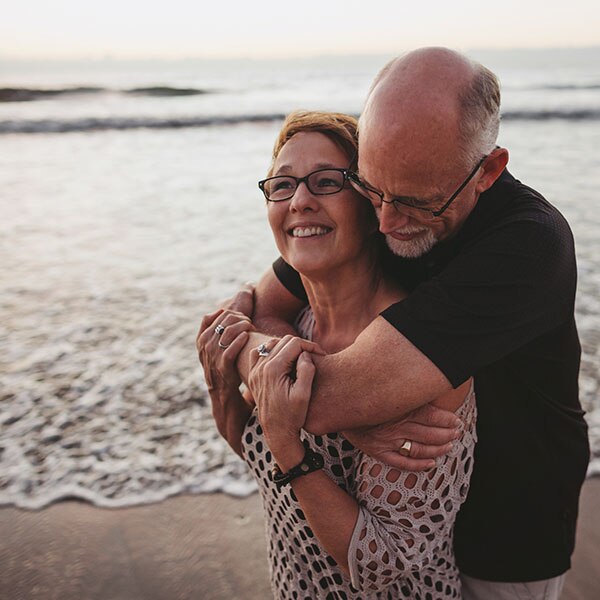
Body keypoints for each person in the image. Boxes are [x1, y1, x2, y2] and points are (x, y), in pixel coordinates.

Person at [215, 48, 590, 600]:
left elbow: (321, 400)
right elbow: (251, 312)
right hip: (394, 518)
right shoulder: (388, 199)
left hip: (507, 526)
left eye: (413, 202)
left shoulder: (527, 248)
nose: (387, 221)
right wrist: (248, 348)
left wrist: (297, 393)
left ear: (487, 170)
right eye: (371, 189)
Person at [198, 110, 477, 598]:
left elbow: (378, 565)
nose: (300, 201)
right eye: (281, 186)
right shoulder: (292, 325)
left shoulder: (422, 354)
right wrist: (222, 386)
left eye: (326, 182)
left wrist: (290, 442)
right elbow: (252, 450)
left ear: (372, 206)